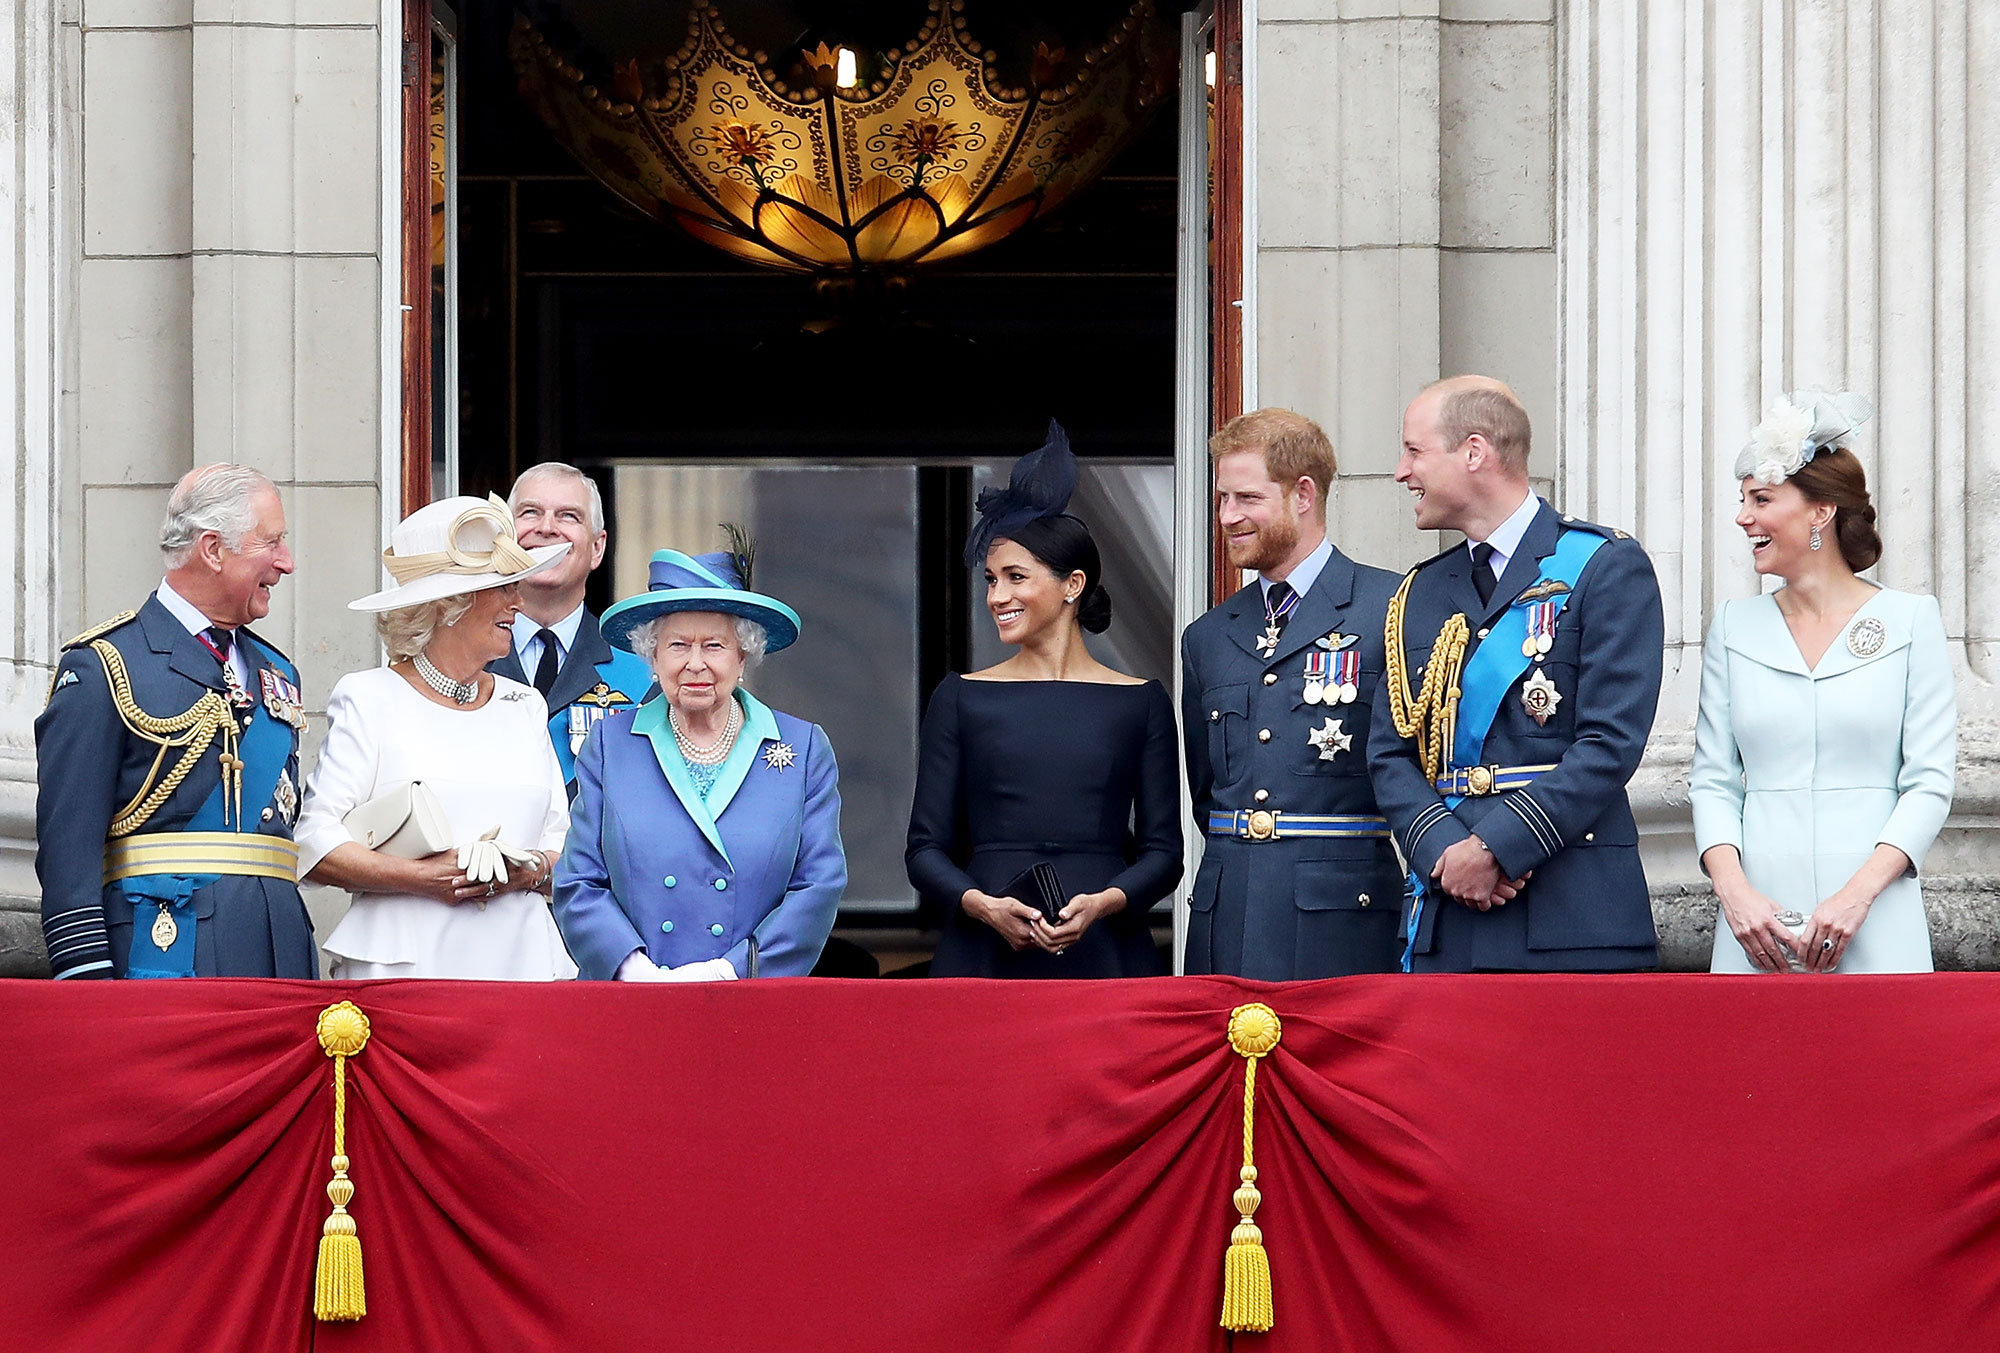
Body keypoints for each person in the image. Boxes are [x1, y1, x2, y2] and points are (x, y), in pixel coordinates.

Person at [1368, 376, 1665, 972]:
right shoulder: (1420, 591)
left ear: (1474, 452)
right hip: (1447, 915)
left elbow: (1610, 744)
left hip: (1571, 916)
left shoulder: (1603, 566)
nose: (1402, 472)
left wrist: (1498, 846)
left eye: (1414, 451)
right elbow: (1389, 753)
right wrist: (1444, 848)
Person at [1691, 391, 1955, 973]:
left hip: (1875, 913)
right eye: (1742, 501)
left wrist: (1856, 897)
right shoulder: (1735, 627)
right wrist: (1735, 895)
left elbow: (1929, 783)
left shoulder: (1910, 621)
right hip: (1756, 923)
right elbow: (1712, 781)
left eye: (1761, 499)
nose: (1743, 517)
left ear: (1820, 512)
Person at [908, 422, 1182, 978]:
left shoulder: (1141, 702)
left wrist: (1106, 900)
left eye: (1014, 577)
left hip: (1106, 953)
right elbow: (923, 851)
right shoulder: (960, 697)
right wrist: (981, 904)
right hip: (983, 952)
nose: (996, 596)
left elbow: (1164, 855)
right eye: (990, 579)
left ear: (1072, 585)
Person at [35, 464, 315, 979]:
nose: (287, 562)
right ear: (213, 549)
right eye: (271, 542)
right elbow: (67, 850)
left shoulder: (278, 671)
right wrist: (87, 982)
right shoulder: (105, 665)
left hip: (278, 950)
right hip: (164, 949)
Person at [294, 495, 577, 980]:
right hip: (403, 970)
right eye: (502, 588)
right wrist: (424, 880)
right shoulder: (369, 698)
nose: (519, 602)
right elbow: (316, 843)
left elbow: (563, 844)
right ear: (448, 606)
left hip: (522, 968)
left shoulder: (525, 704)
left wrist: (523, 871)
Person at [1179, 409, 1405, 979]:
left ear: (1303, 494)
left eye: (1246, 498)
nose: (1228, 516)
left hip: (1342, 918)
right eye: (1223, 499)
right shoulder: (1207, 636)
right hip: (1227, 914)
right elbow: (1207, 792)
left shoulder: (1392, 608)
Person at [555, 539, 845, 980]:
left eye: (713, 646)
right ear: (652, 655)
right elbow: (578, 881)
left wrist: (730, 971)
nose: (695, 664)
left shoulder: (803, 748)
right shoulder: (609, 745)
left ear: (742, 656)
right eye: (677, 645)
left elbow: (818, 886)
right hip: (631, 1000)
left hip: (750, 1001)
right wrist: (634, 970)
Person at [489, 463, 654, 792]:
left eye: (568, 516)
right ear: (504, 541)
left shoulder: (644, 674)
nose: (547, 527)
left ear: (597, 548)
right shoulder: (461, 662)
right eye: (530, 512)